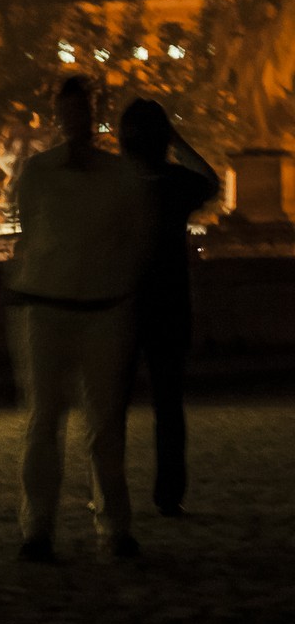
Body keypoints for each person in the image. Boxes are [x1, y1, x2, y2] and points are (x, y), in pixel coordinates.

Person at [7, 76, 151, 563]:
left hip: (59, 303)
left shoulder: (43, 172)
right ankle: (102, 526)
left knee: (70, 422)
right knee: (80, 423)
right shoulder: (115, 174)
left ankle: (45, 528)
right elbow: (135, 237)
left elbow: (30, 231)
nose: (75, 121)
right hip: (92, 305)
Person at [118, 98, 220, 517]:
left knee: (112, 406)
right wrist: (179, 141)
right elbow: (210, 181)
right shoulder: (177, 182)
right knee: (169, 406)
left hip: (122, 304)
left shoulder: (118, 183)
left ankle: (109, 487)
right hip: (170, 304)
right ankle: (169, 493)